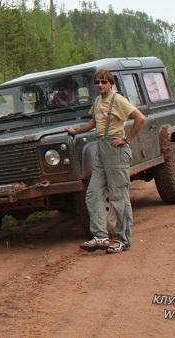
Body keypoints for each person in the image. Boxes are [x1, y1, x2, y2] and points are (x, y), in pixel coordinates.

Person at [63, 69, 145, 254]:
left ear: (111, 83)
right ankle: (100, 236)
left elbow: (140, 118)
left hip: (116, 149)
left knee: (118, 197)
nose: (100, 85)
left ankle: (123, 240)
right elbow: (93, 124)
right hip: (100, 148)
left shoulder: (119, 101)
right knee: (93, 194)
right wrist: (75, 132)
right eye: (97, 82)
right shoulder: (98, 101)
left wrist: (127, 139)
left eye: (104, 82)